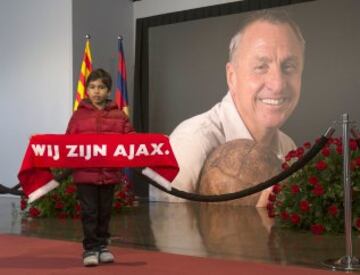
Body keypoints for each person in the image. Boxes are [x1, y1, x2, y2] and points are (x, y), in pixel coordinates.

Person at [148, 10, 305, 206]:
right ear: (232, 76)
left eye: (289, 67)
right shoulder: (188, 144)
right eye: (261, 67)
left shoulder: (288, 146)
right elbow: (164, 230)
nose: (278, 84)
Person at [66, 68, 135, 267]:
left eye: (101, 87)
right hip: (85, 175)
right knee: (89, 212)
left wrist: (156, 142)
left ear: (108, 90)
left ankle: (103, 246)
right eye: (93, 87)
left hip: (109, 174)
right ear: (87, 90)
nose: (97, 91)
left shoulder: (119, 116)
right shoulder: (78, 117)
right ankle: (90, 249)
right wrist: (40, 141)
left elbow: (132, 140)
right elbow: (66, 143)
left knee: (104, 211)